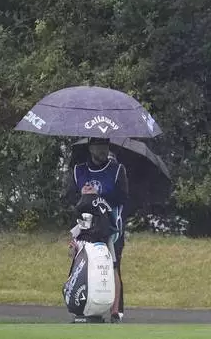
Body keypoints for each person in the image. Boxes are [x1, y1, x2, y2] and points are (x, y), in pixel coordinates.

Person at [64, 137, 129, 323]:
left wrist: (98, 196)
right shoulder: (79, 170)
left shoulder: (117, 170)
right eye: (99, 146)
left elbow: (122, 198)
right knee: (80, 262)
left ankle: (116, 311)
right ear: (91, 148)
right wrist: (83, 195)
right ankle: (83, 306)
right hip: (83, 223)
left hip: (109, 224)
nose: (103, 150)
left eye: (106, 146)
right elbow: (69, 197)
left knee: (113, 265)